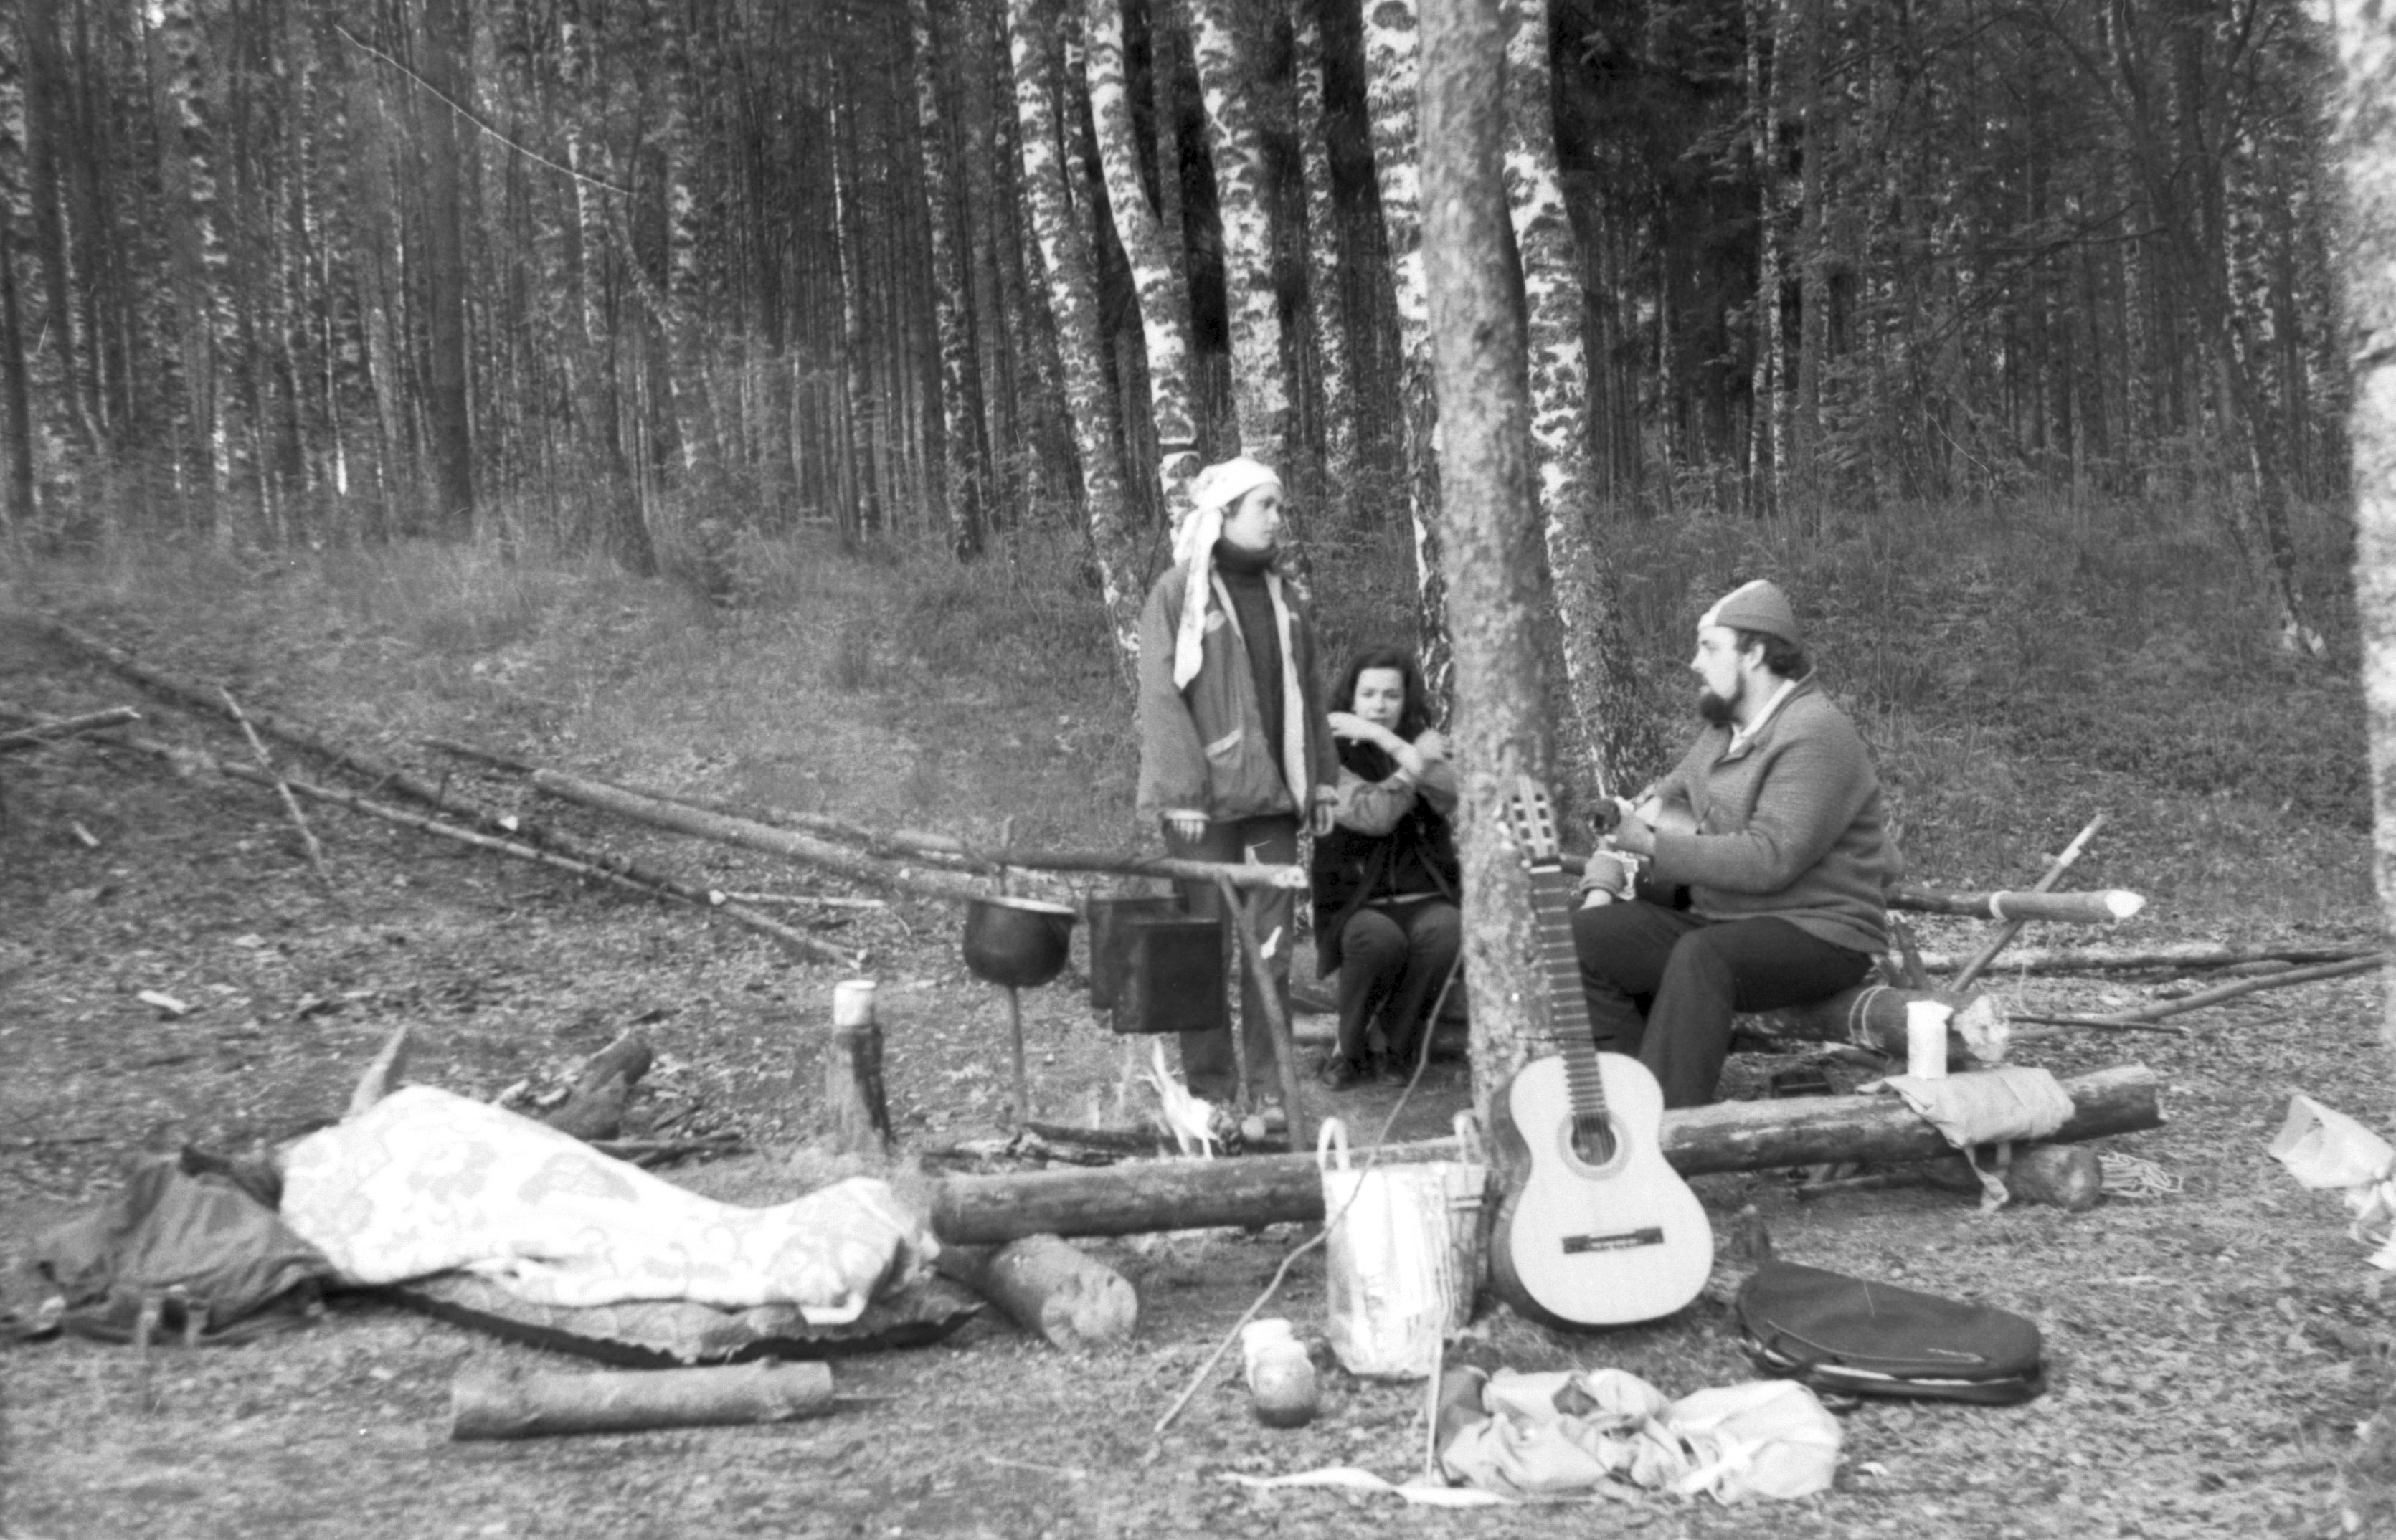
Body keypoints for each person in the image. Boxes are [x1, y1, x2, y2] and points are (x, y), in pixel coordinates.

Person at [1571, 579, 1901, 1109]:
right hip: (1724, 921)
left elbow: (1769, 858)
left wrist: (1650, 842)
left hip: (1821, 932)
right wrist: (1605, 875)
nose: (1694, 663)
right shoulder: (1723, 733)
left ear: (1754, 652)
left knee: (1703, 956)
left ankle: (1670, 1129)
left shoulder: (1815, 731)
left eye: (1709, 648)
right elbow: (1659, 802)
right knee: (1581, 939)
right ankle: (1630, 1101)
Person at [1135, 457, 1337, 1111]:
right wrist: (1181, 793)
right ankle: (1211, 1094)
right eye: (1265, 506)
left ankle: (1271, 1090)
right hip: (1204, 810)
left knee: (1271, 951)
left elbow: (1310, 695)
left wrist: (1322, 784)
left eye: (1280, 507)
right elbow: (1160, 696)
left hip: (1271, 805)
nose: (1278, 518)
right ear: (1222, 514)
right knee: (1202, 946)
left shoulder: (1287, 600)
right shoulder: (1178, 593)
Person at [1310, 647, 1462, 1090]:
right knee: (1378, 939)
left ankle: (1396, 1045)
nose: (1379, 706)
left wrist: (1395, 746)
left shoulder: (1425, 743)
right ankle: (1348, 1048)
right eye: (1369, 694)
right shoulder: (1326, 755)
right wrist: (1405, 757)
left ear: (1406, 699)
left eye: (1391, 695)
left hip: (1427, 895)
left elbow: (1453, 793)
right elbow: (1372, 815)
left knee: (1447, 931)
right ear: (1350, 699)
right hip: (1357, 901)